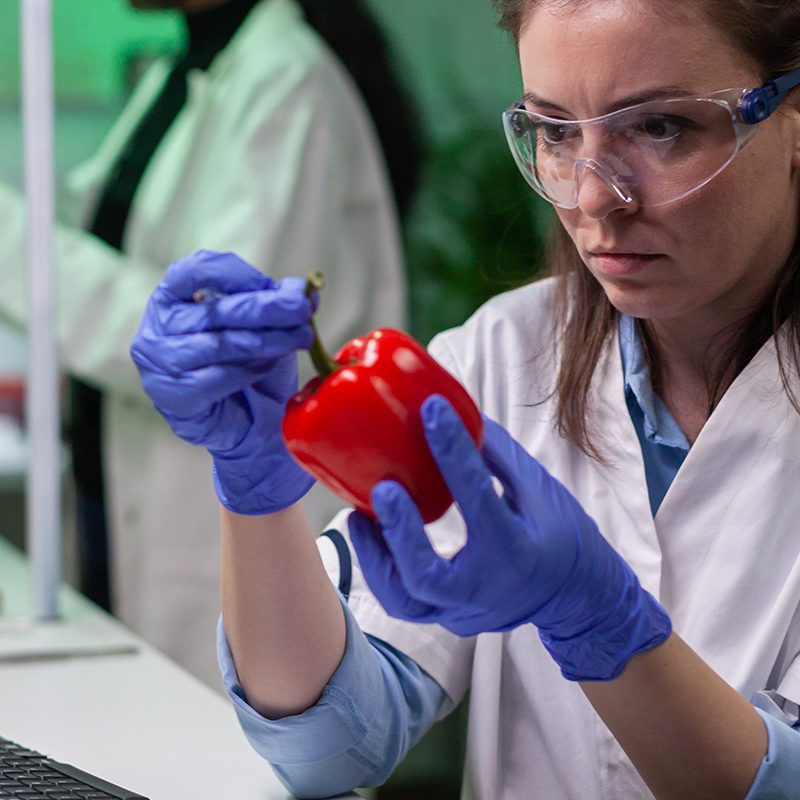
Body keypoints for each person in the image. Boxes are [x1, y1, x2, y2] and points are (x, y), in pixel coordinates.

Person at [130, 0, 800, 797]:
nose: (594, 198)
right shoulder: (497, 361)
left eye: (659, 128)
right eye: (556, 132)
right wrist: (256, 489)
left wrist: (599, 625)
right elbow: (330, 745)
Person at [0, 0, 415, 690]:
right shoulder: (188, 68)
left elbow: (208, 340)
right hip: (132, 508)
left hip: (228, 524)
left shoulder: (287, 81)